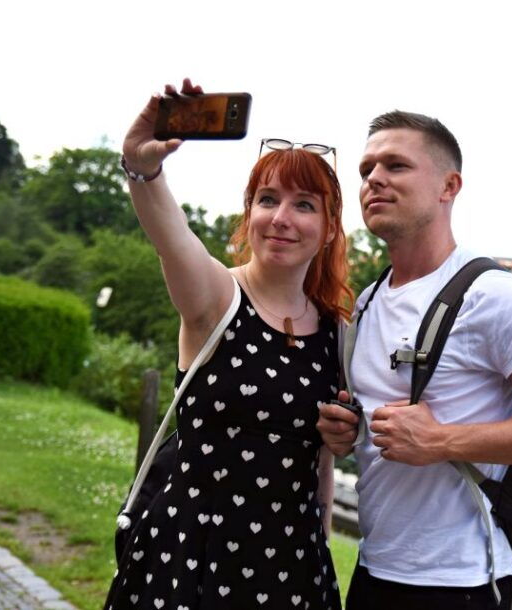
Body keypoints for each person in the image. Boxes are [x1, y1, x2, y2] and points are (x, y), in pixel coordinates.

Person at [317, 111, 512, 610]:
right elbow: (387, 434)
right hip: (375, 569)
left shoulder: (492, 296)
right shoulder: (367, 302)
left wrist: (441, 441)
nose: (374, 180)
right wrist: (347, 432)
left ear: (448, 186)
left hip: (463, 583)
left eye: (396, 166)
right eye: (366, 169)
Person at [104, 79, 350, 610]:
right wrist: (142, 167)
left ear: (330, 227)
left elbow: (320, 464)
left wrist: (322, 541)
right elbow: (171, 236)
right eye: (268, 200)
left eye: (304, 205)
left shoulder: (337, 331)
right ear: (249, 212)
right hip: (191, 553)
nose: (281, 218)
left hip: (290, 562)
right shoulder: (217, 297)